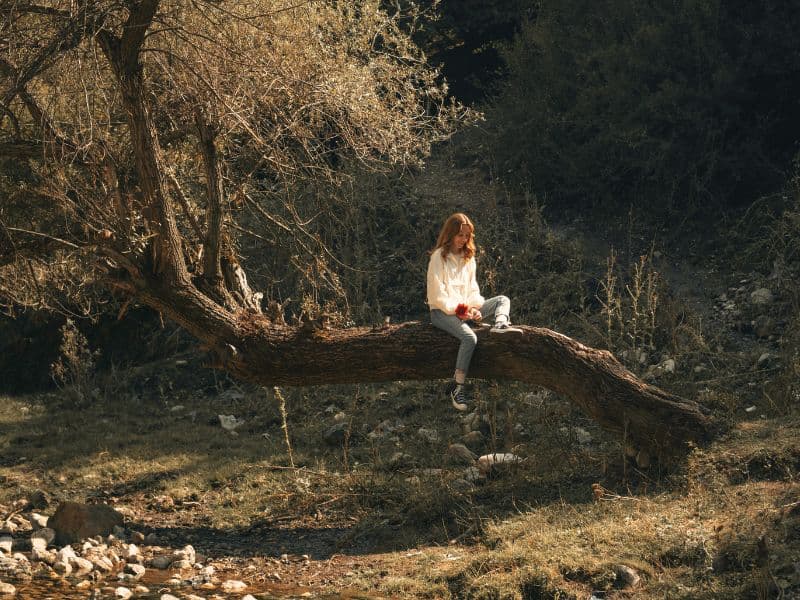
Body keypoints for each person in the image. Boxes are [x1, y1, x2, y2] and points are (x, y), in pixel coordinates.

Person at [426, 213, 522, 412]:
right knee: (470, 338)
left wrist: (475, 310)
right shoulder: (438, 257)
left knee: (502, 300)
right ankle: (458, 387)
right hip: (442, 312)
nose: (464, 240)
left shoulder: (469, 259)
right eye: (460, 235)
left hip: (464, 310)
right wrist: (463, 311)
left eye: (467, 236)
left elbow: (472, 291)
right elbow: (437, 296)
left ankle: (500, 325)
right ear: (450, 234)